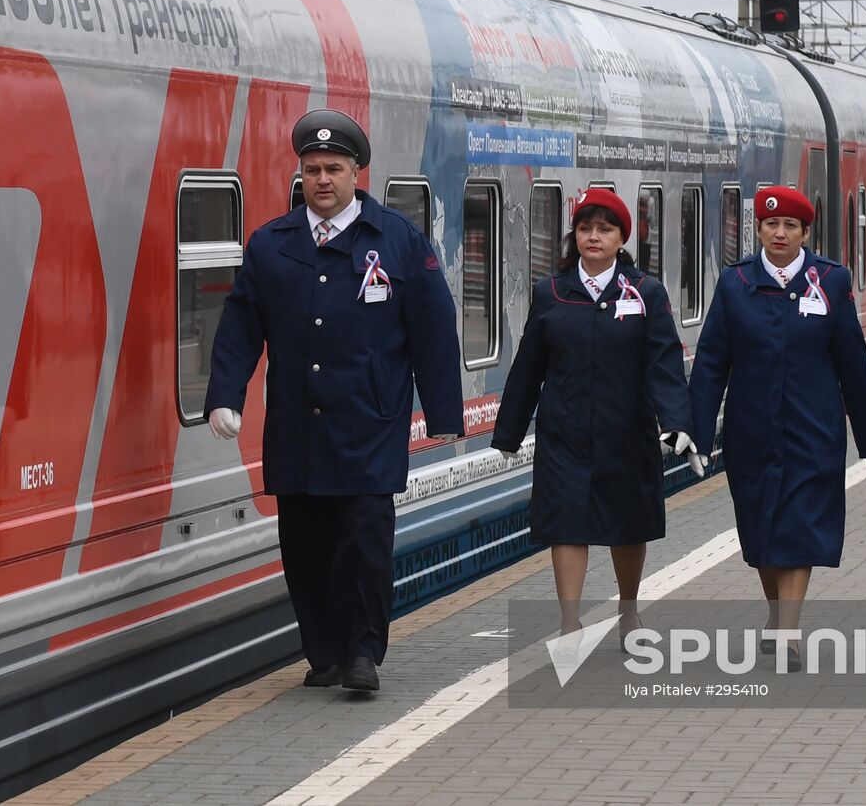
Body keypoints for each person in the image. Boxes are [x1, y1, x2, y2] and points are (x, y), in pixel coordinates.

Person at [204, 108, 464, 693]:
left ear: (356, 174)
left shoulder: (396, 242)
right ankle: (322, 654)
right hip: (297, 423)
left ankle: (363, 652)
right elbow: (241, 324)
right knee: (305, 545)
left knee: (365, 542)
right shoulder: (273, 245)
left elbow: (433, 328)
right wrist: (225, 395)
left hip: (370, 422)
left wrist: (444, 413)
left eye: (334, 169)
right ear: (301, 174)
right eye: (313, 169)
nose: (322, 179)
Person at [687, 186, 866, 672]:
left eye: (790, 226)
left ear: (805, 233)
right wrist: (696, 431)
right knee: (761, 532)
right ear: (758, 229)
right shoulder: (735, 284)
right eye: (771, 225)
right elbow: (712, 362)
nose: (779, 233)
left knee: (799, 527)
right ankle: (777, 616)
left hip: (813, 428)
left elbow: (853, 362)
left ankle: (788, 633)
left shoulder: (830, 283)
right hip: (750, 430)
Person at [491, 188, 696, 643]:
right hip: (564, 432)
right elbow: (528, 367)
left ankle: (628, 610)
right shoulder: (552, 293)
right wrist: (508, 433)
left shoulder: (645, 293)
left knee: (627, 524)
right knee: (567, 523)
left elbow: (663, 364)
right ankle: (569, 621)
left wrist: (677, 423)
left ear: (622, 237)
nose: (593, 237)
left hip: (626, 431)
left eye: (605, 229)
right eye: (585, 228)